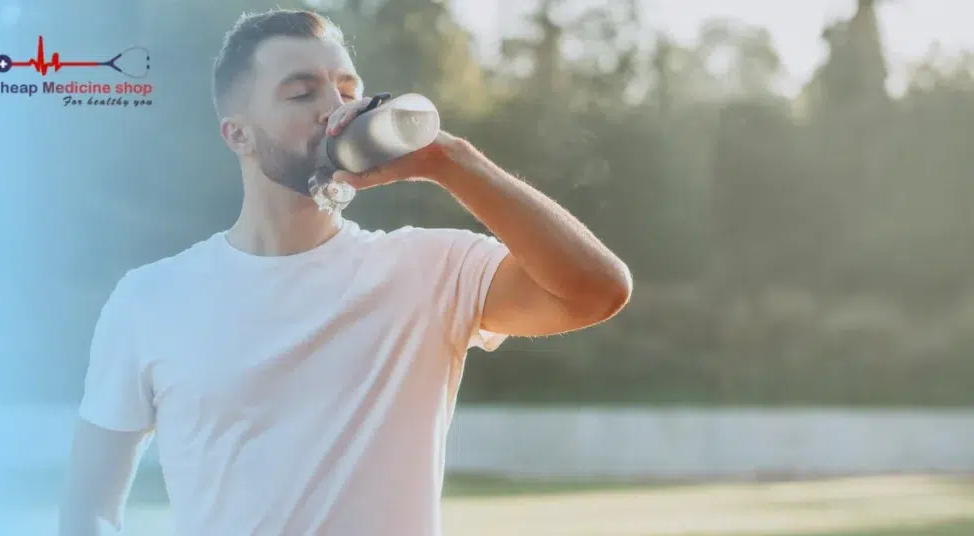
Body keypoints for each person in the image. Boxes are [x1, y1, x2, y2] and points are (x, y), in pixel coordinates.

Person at [59, 9, 631, 536]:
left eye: (349, 89)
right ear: (238, 134)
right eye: (302, 92)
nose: (335, 107)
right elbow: (88, 507)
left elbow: (597, 291)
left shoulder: (429, 270)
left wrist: (448, 159)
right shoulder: (148, 299)